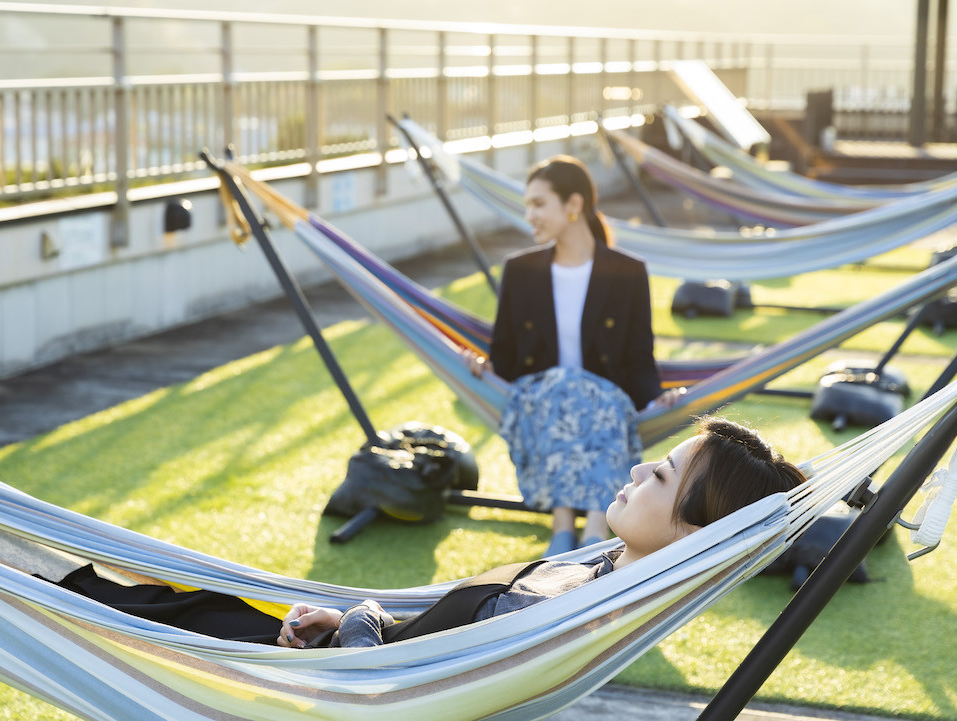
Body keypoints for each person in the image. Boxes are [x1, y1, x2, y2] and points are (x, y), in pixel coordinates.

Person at [279, 417, 805, 648]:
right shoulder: (599, 575)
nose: (637, 470)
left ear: (694, 533)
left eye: (661, 475)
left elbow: (376, 686)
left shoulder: (552, 612)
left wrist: (358, 616)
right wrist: (350, 620)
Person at [468, 154, 682, 556]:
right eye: (527, 204)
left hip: (606, 407)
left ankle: (580, 533)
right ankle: (575, 529)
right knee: (566, 385)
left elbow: (638, 356)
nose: (529, 214)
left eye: (538, 203)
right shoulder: (520, 270)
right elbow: (507, 356)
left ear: (573, 205)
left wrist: (656, 399)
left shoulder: (627, 271)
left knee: (590, 392)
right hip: (540, 402)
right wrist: (483, 368)